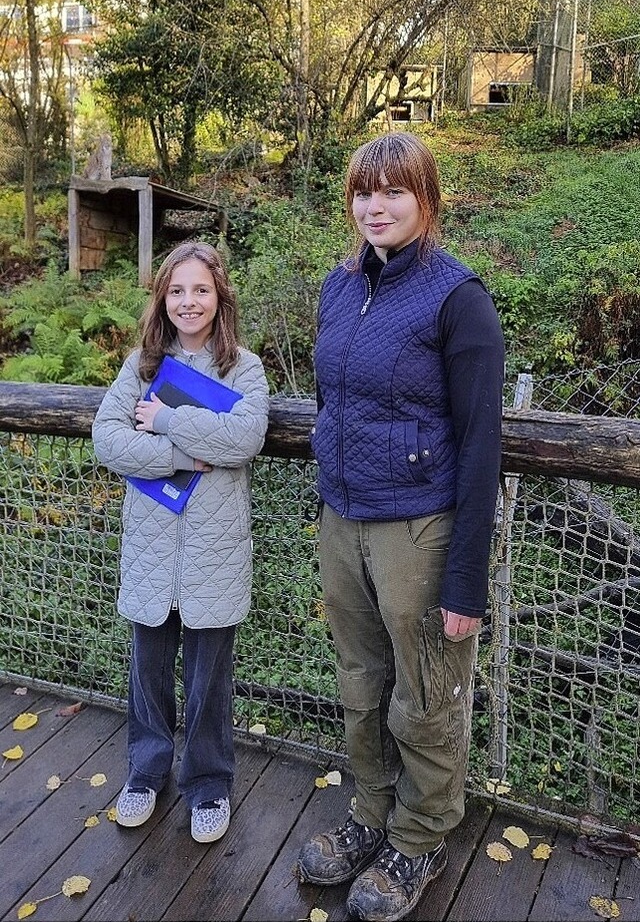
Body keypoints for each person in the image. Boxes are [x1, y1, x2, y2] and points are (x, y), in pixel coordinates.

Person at [296, 132, 505, 921]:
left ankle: (420, 836)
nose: (374, 206)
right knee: (361, 678)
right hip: (342, 518)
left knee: (425, 690)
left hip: (419, 528)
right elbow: (331, 400)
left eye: (393, 191)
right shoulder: (339, 285)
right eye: (363, 191)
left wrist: (466, 580)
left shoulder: (458, 298)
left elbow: (482, 445)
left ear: (427, 199)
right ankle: (371, 813)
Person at [92, 239, 269, 844]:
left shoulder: (243, 368)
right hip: (151, 549)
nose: (188, 301)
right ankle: (145, 773)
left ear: (220, 296)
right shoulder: (142, 366)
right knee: (147, 671)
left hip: (214, 551)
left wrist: (165, 419)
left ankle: (209, 784)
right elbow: (108, 439)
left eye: (200, 289)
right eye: (176, 290)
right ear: (162, 298)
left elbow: (243, 439)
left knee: (208, 679)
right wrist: (183, 455)